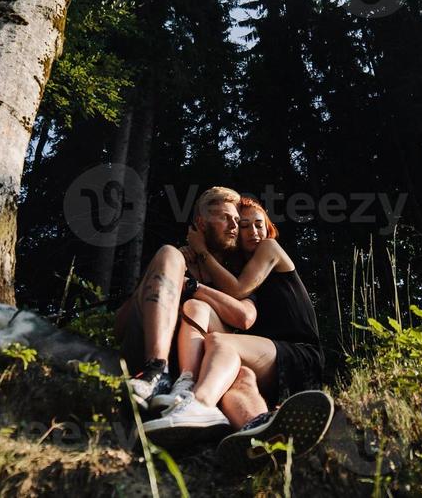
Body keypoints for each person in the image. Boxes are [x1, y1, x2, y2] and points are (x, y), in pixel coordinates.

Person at [142, 196, 333, 469]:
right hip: (264, 357)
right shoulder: (236, 270)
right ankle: (256, 430)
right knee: (237, 376)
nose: (254, 232)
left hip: (299, 354)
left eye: (259, 224)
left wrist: (200, 253)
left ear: (268, 228)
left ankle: (199, 403)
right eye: (245, 226)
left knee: (221, 343)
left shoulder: (269, 249)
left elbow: (237, 290)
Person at [114, 186, 256, 412]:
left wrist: (191, 285)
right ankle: (156, 371)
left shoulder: (237, 275)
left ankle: (257, 429)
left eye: (238, 221)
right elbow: (119, 328)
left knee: (243, 373)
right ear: (201, 224)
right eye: (224, 218)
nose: (234, 226)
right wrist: (155, 278)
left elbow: (245, 317)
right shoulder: (174, 261)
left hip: (205, 369)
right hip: (146, 361)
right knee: (169, 253)